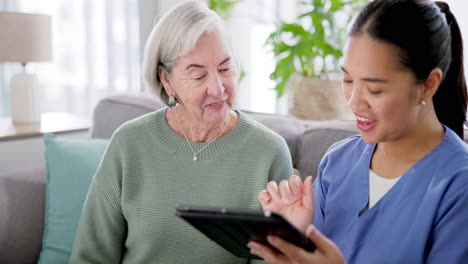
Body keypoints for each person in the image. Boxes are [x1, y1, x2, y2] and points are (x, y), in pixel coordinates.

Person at [69, 2, 292, 263]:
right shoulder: (128, 144)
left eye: (224, 68)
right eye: (198, 76)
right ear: (166, 80)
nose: (218, 88)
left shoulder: (268, 152)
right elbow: (91, 256)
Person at [247, 0, 468, 263]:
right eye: (348, 80)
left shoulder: (458, 186)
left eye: (374, 89)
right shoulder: (338, 162)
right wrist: (293, 238)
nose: (353, 102)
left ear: (428, 85)